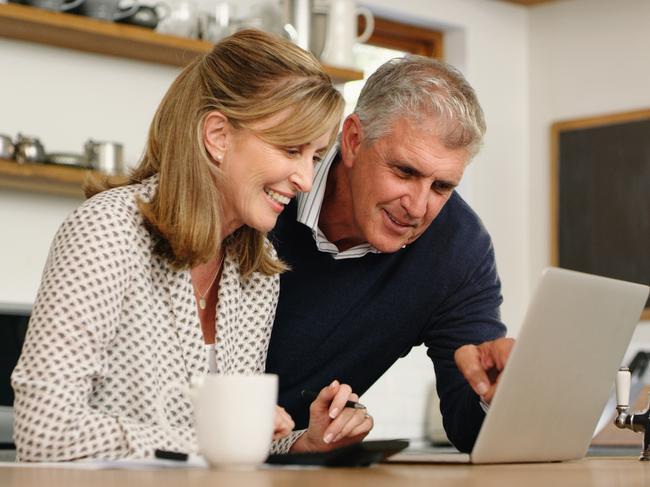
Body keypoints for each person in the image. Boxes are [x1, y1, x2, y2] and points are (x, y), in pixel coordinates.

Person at [11, 29, 372, 462]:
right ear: (218, 136)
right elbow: (43, 431)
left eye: (314, 156)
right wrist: (208, 442)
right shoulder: (107, 231)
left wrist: (303, 442)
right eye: (290, 148)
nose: (306, 180)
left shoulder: (255, 270)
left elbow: (228, 445)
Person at [266, 55, 514, 454]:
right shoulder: (271, 191)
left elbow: (470, 429)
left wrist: (499, 392)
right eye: (404, 172)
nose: (417, 208)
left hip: (302, 462)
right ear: (352, 140)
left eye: (442, 187)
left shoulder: (459, 250)